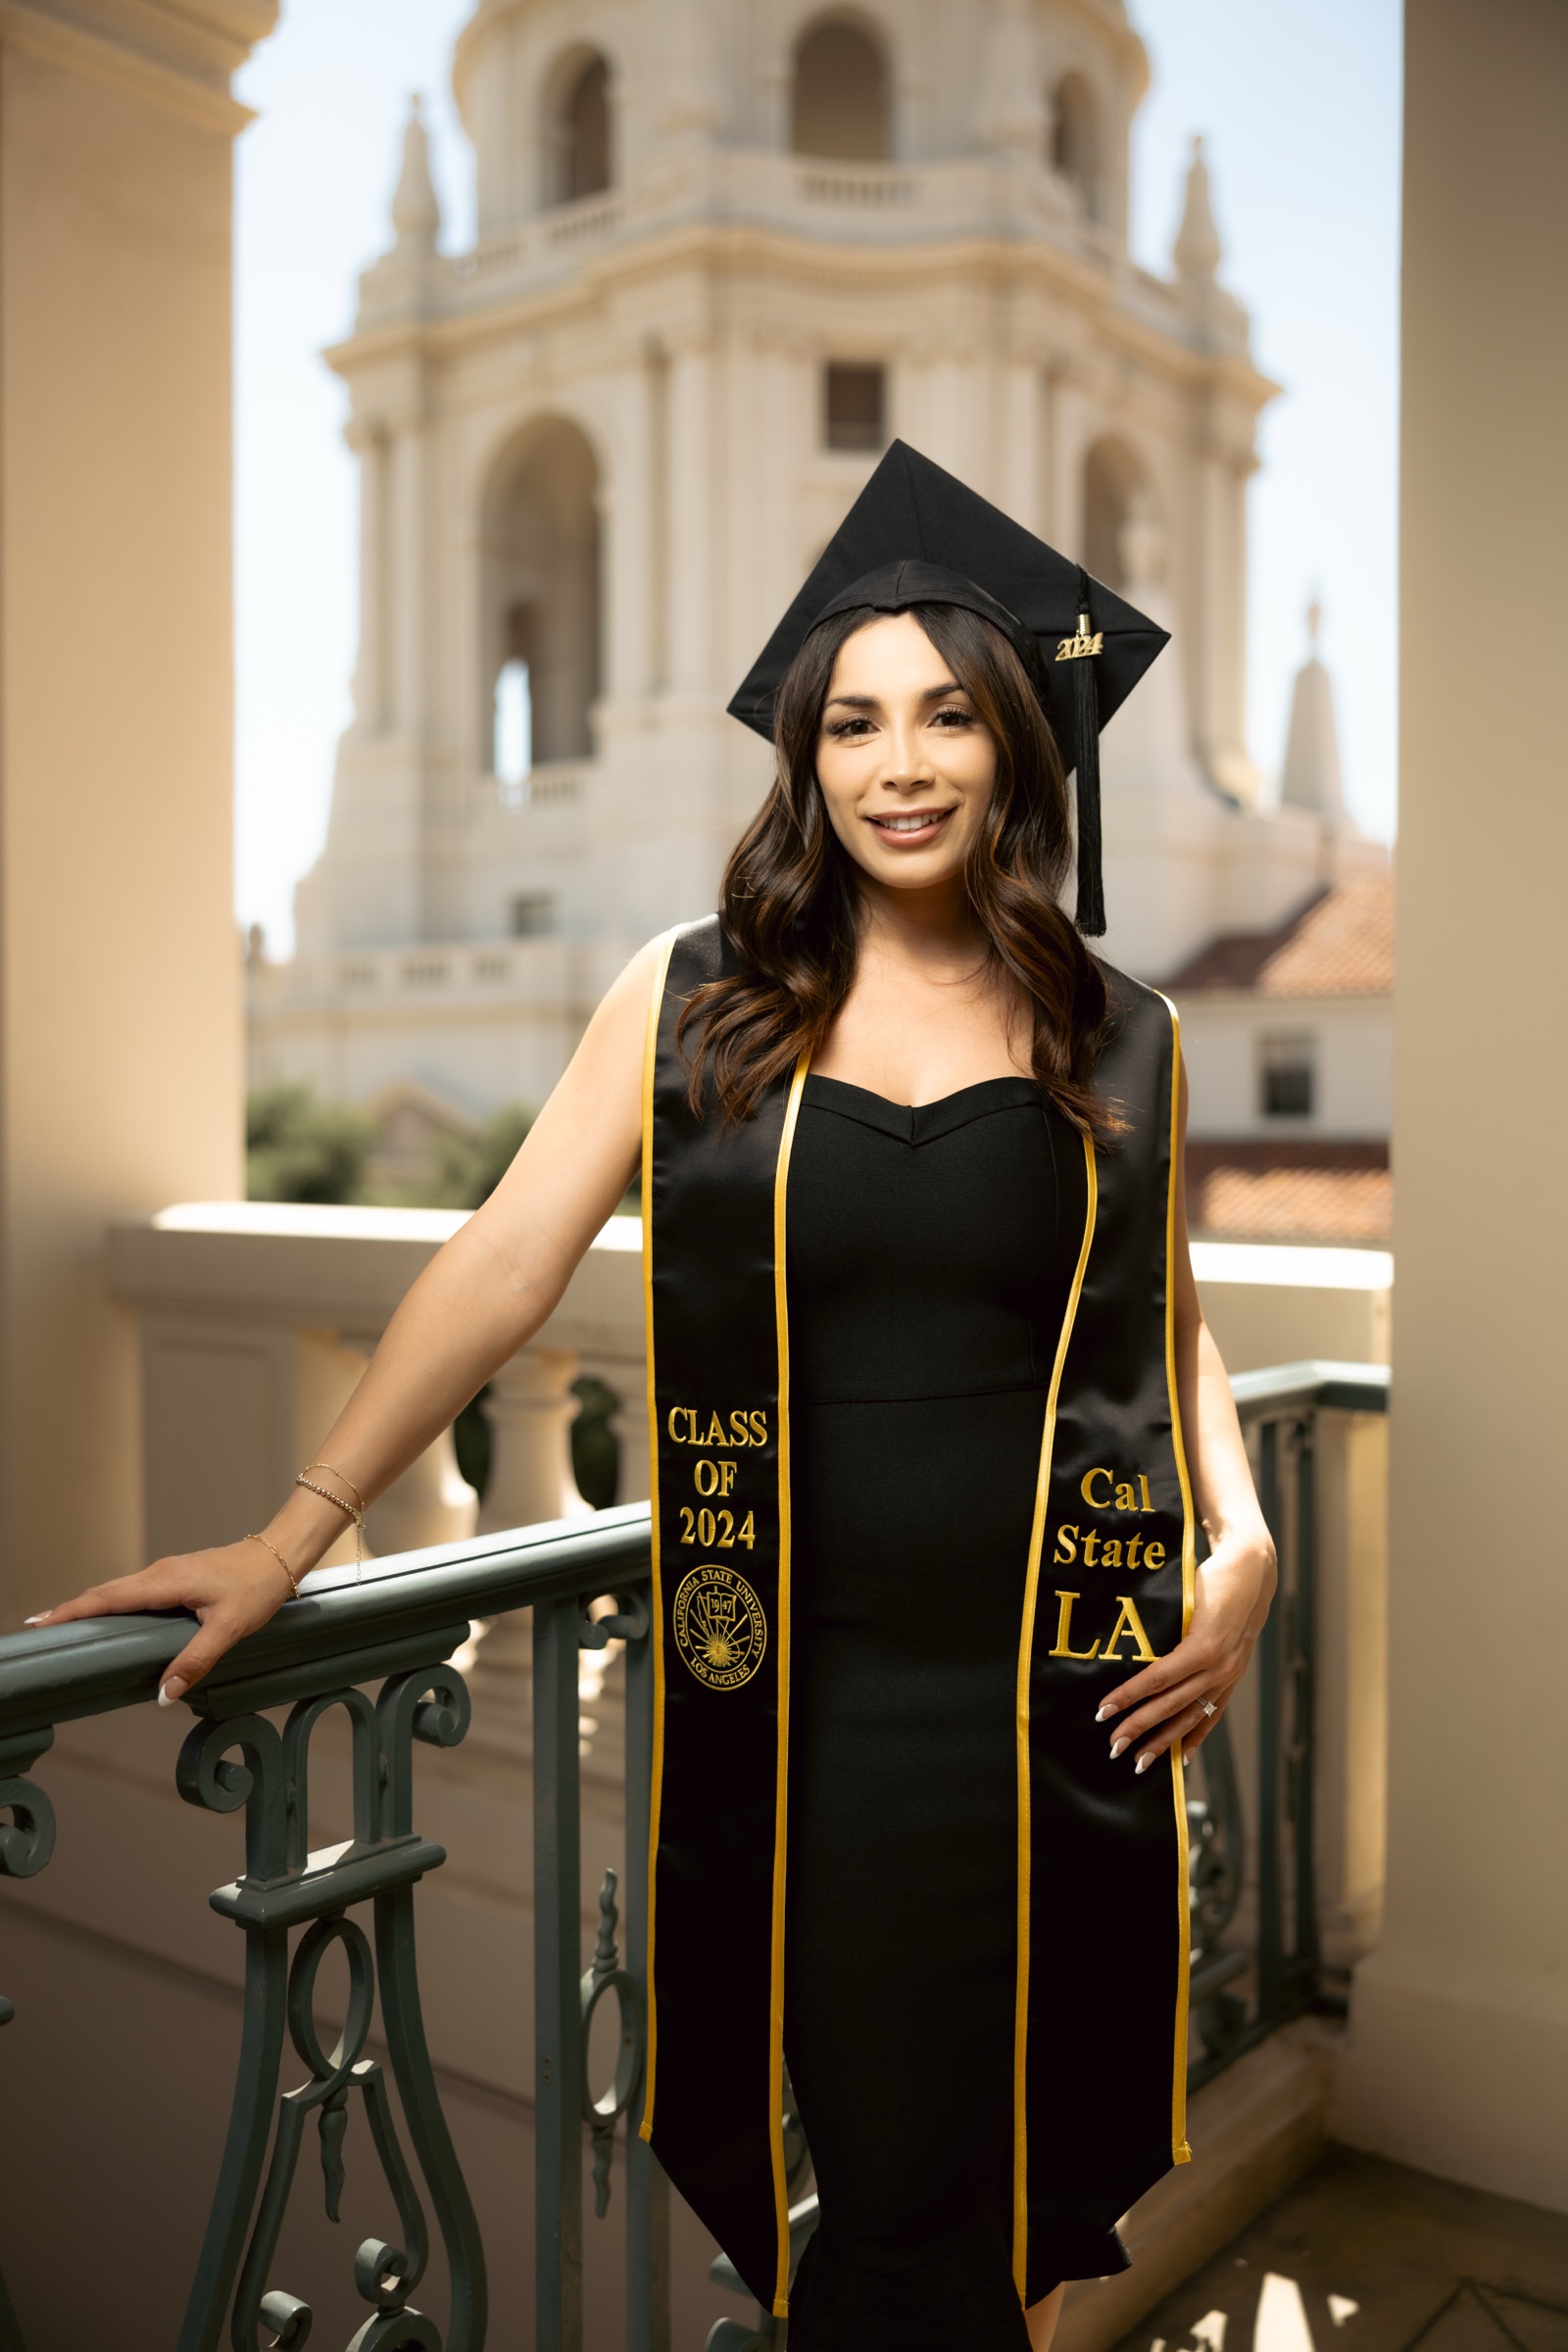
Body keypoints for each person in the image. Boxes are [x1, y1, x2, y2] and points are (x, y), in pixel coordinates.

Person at [33, 444, 1275, 2352]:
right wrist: (295, 1535)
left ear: (1017, 742)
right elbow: (502, 1263)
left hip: (1058, 1705)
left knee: (1007, 2205)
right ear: (803, 756)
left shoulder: (1120, 1034)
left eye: (947, 714)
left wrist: (1244, 1534)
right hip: (811, 1711)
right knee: (895, 2208)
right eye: (851, 722)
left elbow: (1156, 1312)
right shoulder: (696, 995)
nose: (899, 763)